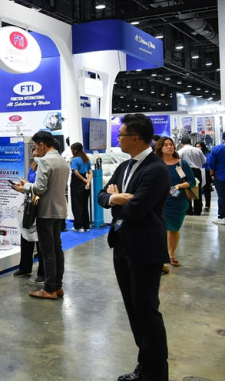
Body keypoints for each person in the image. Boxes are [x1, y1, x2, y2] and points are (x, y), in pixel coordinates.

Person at [97, 113, 169, 381]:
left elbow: (137, 209)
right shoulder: (124, 166)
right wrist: (115, 198)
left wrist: (115, 202)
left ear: (136, 138)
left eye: (121, 135)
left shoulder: (156, 169)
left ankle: (156, 373)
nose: (118, 139)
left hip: (145, 248)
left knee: (146, 311)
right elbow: (102, 195)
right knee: (133, 310)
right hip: (122, 245)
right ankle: (145, 366)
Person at [11, 130, 69, 300]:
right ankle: (57, 286)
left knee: (47, 251)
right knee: (57, 249)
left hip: (46, 212)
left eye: (36, 146)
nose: (36, 150)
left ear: (42, 145)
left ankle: (49, 289)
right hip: (59, 210)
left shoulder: (45, 161)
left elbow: (40, 188)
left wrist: (25, 187)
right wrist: (29, 184)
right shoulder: (62, 161)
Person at [155, 136, 195, 269]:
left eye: (171, 144)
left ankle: (171, 254)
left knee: (173, 229)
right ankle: (161, 256)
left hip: (178, 201)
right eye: (166, 145)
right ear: (160, 147)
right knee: (160, 229)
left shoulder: (182, 164)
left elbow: (192, 181)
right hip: (159, 202)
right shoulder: (156, 164)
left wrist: (180, 186)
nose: (169, 147)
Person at [13, 158, 45, 281]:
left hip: (41, 206)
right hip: (29, 204)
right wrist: (23, 187)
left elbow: (41, 188)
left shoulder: (45, 167)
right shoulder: (33, 167)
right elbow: (31, 186)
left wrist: (25, 187)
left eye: (36, 150)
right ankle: (25, 268)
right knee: (26, 236)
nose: (34, 153)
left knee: (40, 240)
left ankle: (43, 272)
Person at [177, 137, 206, 215]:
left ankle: (188, 210)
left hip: (185, 172)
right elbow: (204, 161)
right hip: (197, 171)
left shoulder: (180, 151)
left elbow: (178, 165)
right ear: (190, 143)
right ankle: (198, 210)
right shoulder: (198, 150)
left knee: (186, 190)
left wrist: (181, 176)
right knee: (197, 190)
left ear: (181, 144)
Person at [69, 142, 93, 232]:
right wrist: (88, 182)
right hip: (86, 182)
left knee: (77, 205)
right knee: (84, 204)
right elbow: (90, 172)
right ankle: (86, 225)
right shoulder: (86, 159)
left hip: (77, 183)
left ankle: (78, 226)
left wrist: (84, 180)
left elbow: (76, 172)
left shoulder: (74, 160)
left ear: (75, 150)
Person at [207, 132, 225, 225]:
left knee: (222, 196)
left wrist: (212, 174)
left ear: (223, 138)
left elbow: (211, 163)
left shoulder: (218, 149)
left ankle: (222, 216)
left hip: (221, 176)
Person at [196, 141, 212, 212]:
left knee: (206, 189)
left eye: (199, 146)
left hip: (206, 172)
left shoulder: (207, 154)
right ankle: (200, 204)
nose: (198, 148)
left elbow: (209, 163)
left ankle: (207, 205)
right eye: (196, 146)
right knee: (198, 189)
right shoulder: (195, 154)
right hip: (198, 172)